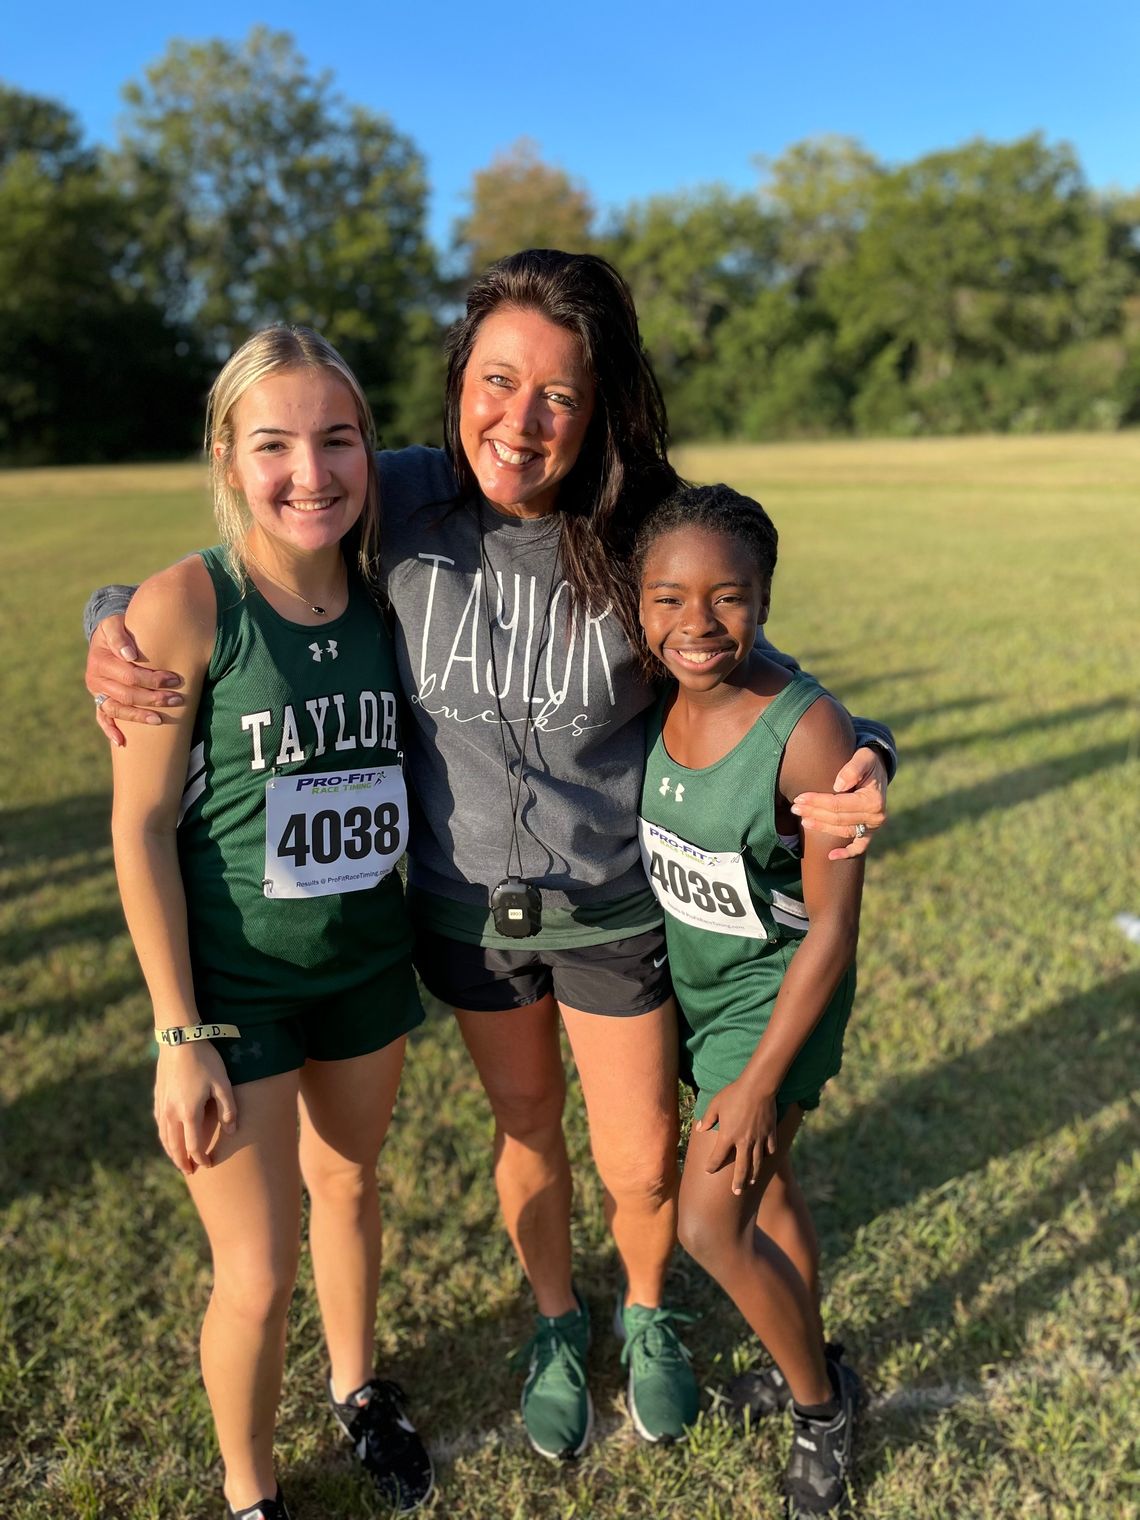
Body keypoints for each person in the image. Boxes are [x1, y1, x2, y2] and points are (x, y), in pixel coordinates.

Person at [87, 251, 893, 1461]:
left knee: (634, 1159)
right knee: (526, 1129)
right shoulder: (397, 494)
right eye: (498, 380)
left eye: (559, 395)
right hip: (464, 912)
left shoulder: (636, 522)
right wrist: (107, 620)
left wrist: (868, 743)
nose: (521, 423)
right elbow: (251, 554)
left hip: (612, 905)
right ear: (460, 378)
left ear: (600, 405)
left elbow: (742, 644)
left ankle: (648, 1310)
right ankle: (558, 1321)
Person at [108, 327, 434, 1520]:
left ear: (371, 450)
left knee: (349, 1186)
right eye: (275, 444)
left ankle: (357, 1389)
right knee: (255, 1270)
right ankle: (251, 1493)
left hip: (363, 967)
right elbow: (141, 829)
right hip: (233, 991)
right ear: (226, 456)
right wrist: (175, 1031)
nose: (312, 470)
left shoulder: (392, 590)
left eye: (338, 438)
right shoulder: (189, 603)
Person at [635, 483, 864, 1518]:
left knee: (712, 1226)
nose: (697, 623)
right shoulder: (663, 687)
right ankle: (801, 1347)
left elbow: (833, 928)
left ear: (766, 596)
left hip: (776, 1005)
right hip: (702, 988)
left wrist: (764, 1077)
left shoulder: (805, 730)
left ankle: (823, 1406)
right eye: (669, 598)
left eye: (728, 598)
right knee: (772, 1199)